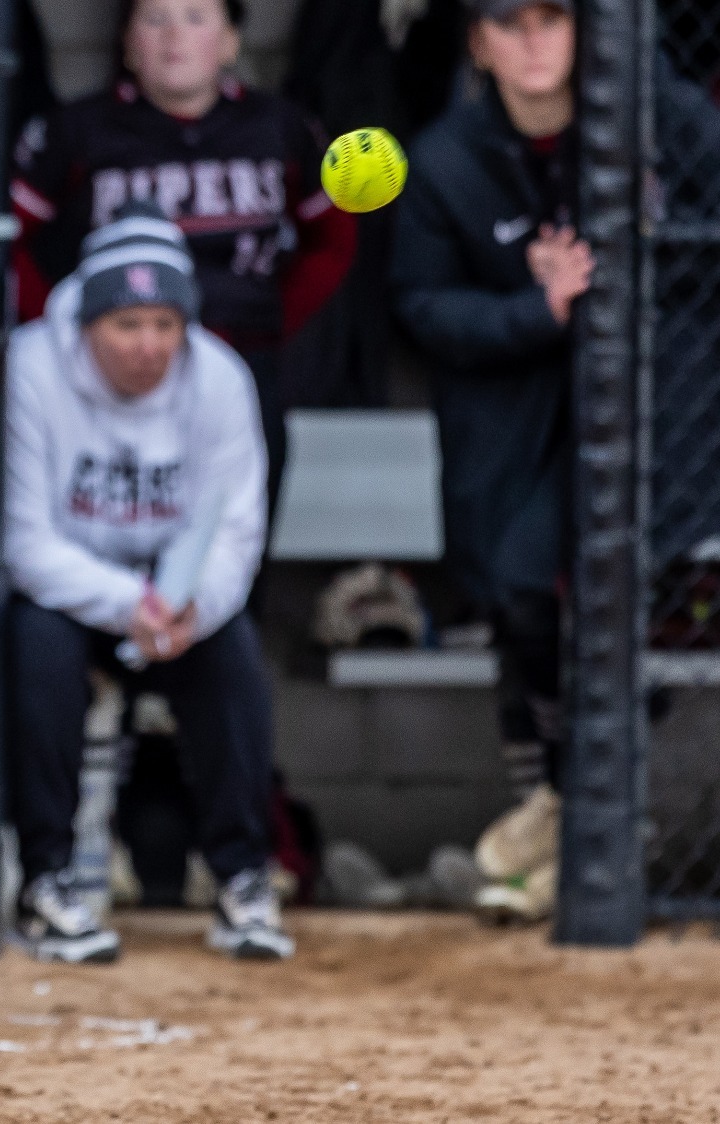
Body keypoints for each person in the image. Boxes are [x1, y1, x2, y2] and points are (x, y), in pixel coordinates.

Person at [4, 201, 292, 963]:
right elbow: (24, 541)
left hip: (179, 591)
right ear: (88, 325)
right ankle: (47, 882)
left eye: (165, 326)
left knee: (233, 659)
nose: (148, 347)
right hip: (72, 588)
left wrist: (192, 605)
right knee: (39, 650)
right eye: (127, 326)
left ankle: (242, 880)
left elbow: (237, 528)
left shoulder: (220, 378)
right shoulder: (32, 366)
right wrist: (132, 605)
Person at [390, 0, 589, 925]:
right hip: (508, 420)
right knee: (517, 598)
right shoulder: (442, 159)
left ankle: (579, 818)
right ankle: (551, 813)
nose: (535, 42)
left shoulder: (652, 125)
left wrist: (605, 282)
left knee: (589, 605)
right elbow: (423, 307)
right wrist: (539, 309)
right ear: (478, 43)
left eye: (553, 19)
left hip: (656, 431)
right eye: (510, 24)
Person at [10, 0, 357, 496]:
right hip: (114, 372)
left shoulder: (282, 127)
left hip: (243, 360)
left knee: (237, 528)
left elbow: (334, 239)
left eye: (196, 17)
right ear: (128, 43)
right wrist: (62, 324)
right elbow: (6, 239)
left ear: (231, 40)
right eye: (155, 19)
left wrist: (276, 317)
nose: (175, 37)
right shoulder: (76, 130)